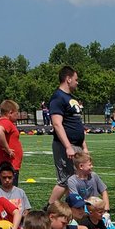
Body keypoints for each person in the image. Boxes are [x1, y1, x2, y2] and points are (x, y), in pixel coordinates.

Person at [48, 66, 86, 202]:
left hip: (76, 145)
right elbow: (57, 123)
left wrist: (84, 146)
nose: (77, 82)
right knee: (65, 180)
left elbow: (77, 124)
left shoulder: (71, 98)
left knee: (75, 179)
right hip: (65, 145)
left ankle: (72, 208)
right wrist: (68, 146)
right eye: (76, 79)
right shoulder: (58, 97)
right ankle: (49, 208)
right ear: (68, 79)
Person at [0, 99, 23, 183]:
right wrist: (7, 148)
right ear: (10, 112)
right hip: (8, 164)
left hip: (1, 163)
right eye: (16, 113)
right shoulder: (6, 122)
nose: (17, 115)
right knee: (9, 190)